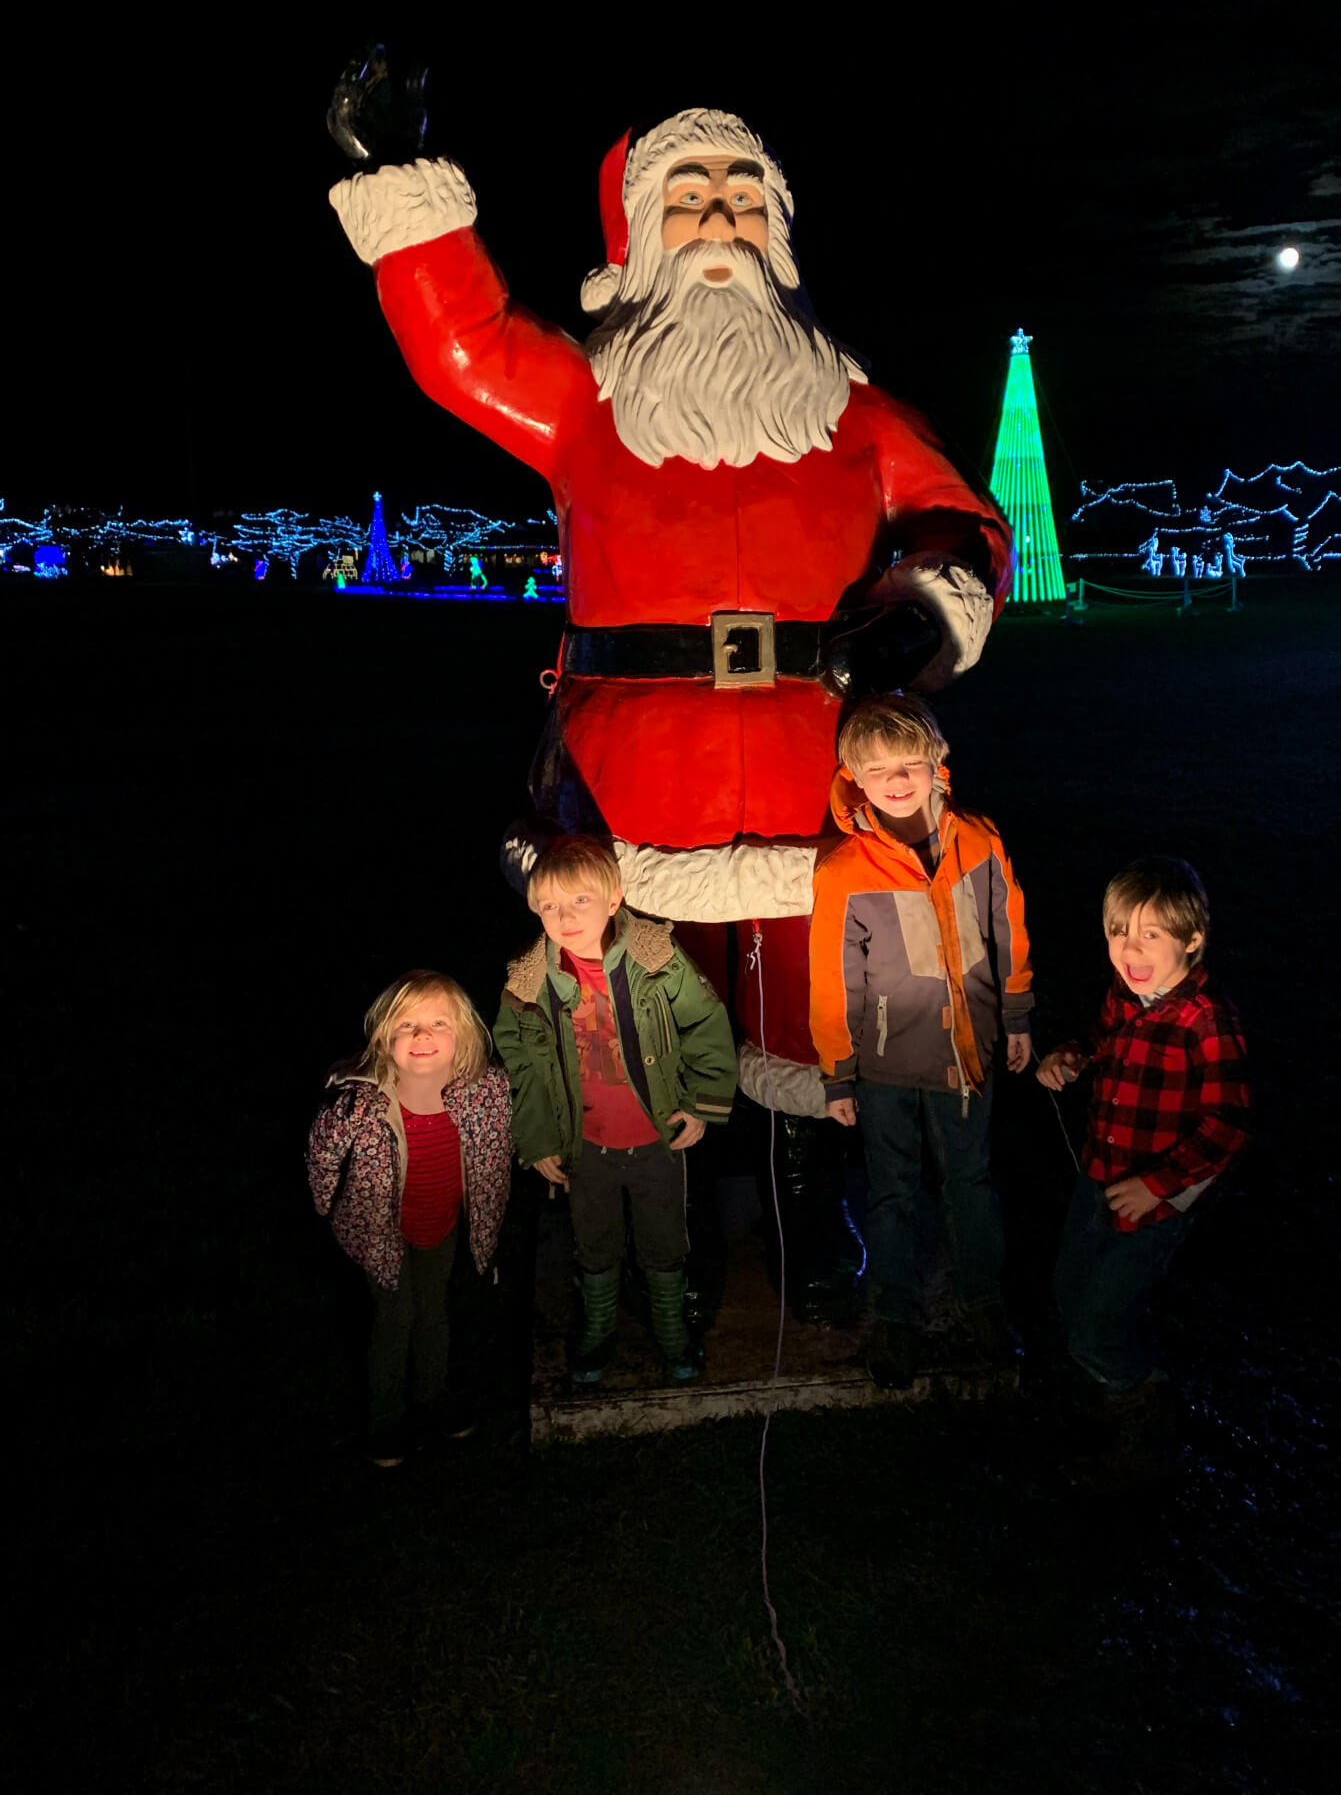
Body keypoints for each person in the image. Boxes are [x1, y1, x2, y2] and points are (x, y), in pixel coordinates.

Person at [328, 94, 1014, 1320]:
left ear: (781, 233)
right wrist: (403, 181)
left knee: (822, 1028)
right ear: (639, 233)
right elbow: (465, 347)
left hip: (821, 784)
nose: (720, 221)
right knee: (636, 1035)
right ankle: (672, 1246)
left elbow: (960, 519)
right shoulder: (589, 400)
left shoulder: (851, 413)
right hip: (632, 784)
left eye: (744, 199)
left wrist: (927, 608)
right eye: (689, 197)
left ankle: (816, 1221)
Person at [809, 695, 1034, 1389]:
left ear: (938, 763)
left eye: (911, 763)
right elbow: (830, 977)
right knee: (893, 1190)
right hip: (883, 1070)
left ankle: (983, 1304)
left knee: (970, 1182)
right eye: (880, 769)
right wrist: (838, 1071)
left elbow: (1009, 930)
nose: (897, 779)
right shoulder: (845, 869)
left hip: (968, 1057)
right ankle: (895, 1316)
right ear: (854, 777)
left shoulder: (980, 841)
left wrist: (1017, 1014)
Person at [1037, 856, 1250, 1489]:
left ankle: (1144, 1418)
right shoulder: (1128, 995)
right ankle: (1091, 1404)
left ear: (1192, 939)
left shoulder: (1206, 1020)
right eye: (1117, 933)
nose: (1129, 951)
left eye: (1150, 935)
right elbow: (1104, 1035)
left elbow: (1229, 1125)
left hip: (1156, 1204)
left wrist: (1158, 1183)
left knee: (1098, 1329)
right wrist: (1072, 1057)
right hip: (1098, 1173)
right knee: (1071, 1293)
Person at [493, 836, 736, 1387]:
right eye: (550, 906)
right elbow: (522, 1065)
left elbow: (706, 1022)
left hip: (656, 1139)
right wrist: (538, 1139)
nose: (565, 916)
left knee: (664, 1240)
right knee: (595, 1242)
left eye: (580, 901)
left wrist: (701, 1103)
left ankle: (671, 1328)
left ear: (614, 898)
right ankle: (598, 1326)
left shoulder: (657, 958)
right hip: (587, 1147)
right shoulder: (528, 984)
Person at [307, 971, 513, 1467]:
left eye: (438, 1023)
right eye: (407, 1025)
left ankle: (434, 1394)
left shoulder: (483, 1094)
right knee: (395, 1319)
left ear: (463, 1035)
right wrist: (325, 1203)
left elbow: (500, 1149)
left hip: (439, 1226)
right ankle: (385, 1420)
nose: (422, 1036)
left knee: (434, 1309)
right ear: (384, 1038)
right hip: (381, 1235)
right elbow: (322, 1153)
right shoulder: (361, 1105)